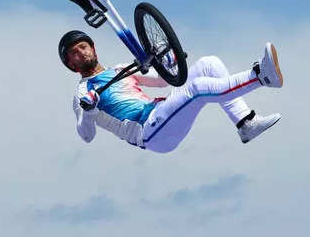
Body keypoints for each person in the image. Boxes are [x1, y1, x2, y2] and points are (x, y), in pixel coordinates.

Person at [59, 30, 283, 153]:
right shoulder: (83, 93)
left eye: (83, 47)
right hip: (149, 133)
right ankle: (260, 76)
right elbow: (86, 136)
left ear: (93, 48)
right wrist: (89, 110)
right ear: (71, 64)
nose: (81, 53)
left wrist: (170, 63)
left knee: (209, 64)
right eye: (74, 53)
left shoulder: (119, 69)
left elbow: (162, 82)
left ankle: (246, 124)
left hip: (161, 113)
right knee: (198, 89)